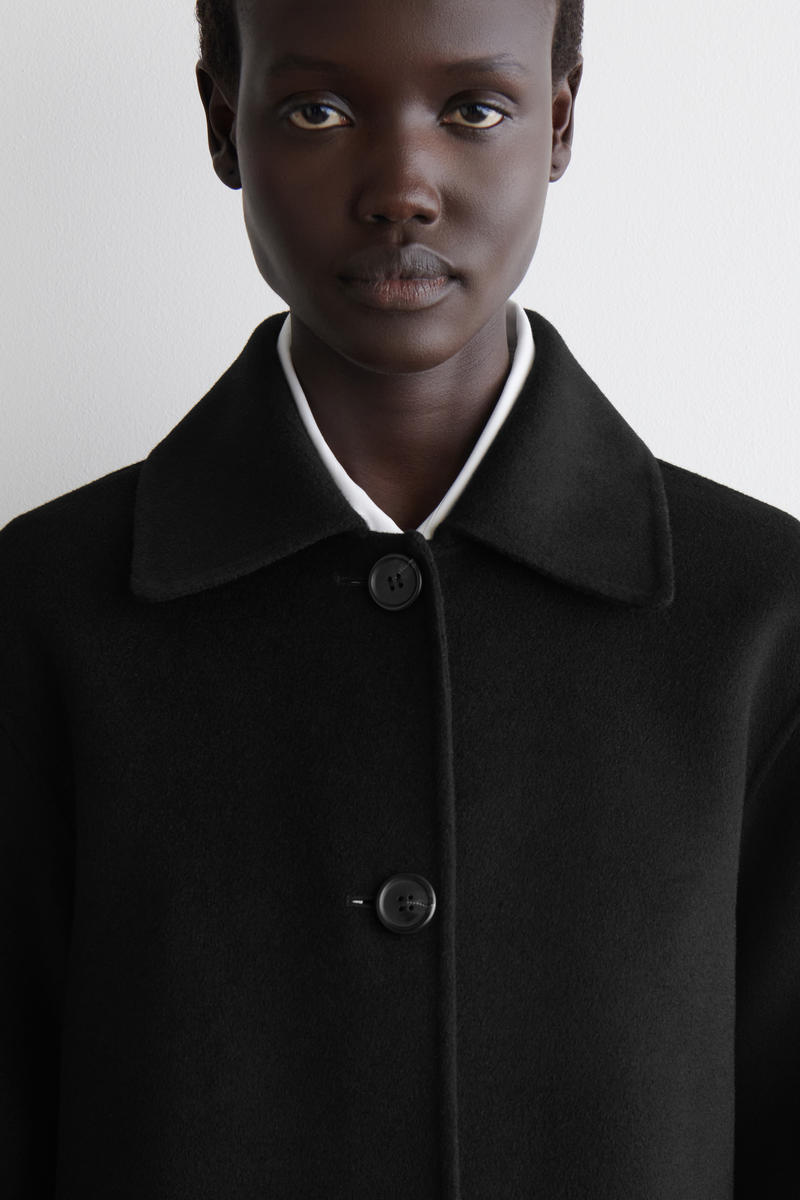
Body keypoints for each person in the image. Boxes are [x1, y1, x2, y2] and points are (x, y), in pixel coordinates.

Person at [1, 0, 798, 1195]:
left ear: (559, 121)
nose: (401, 190)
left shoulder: (761, 620)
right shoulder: (43, 613)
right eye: (316, 110)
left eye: (472, 109)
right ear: (222, 122)